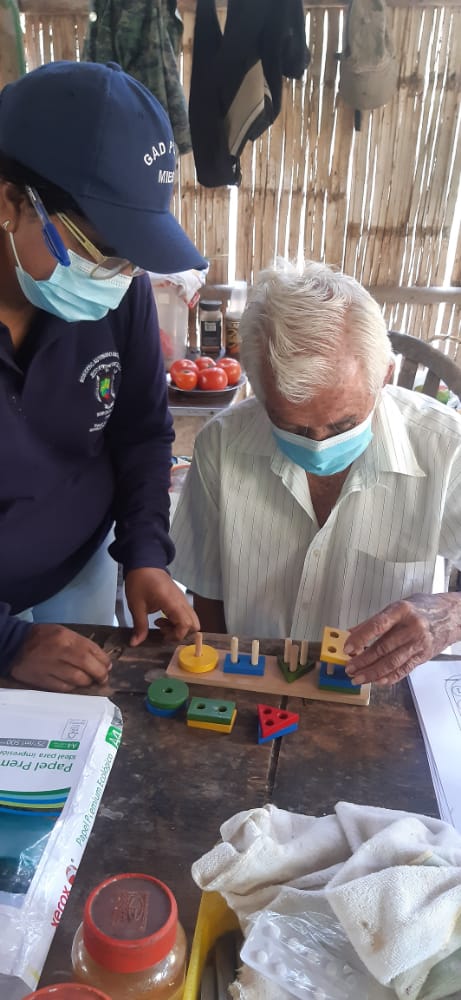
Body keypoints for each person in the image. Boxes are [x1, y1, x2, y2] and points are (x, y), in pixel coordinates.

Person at [0, 59, 205, 691]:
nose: (119, 277)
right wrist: (9, 642)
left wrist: (145, 551)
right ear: (9, 201)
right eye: (100, 249)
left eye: (134, 259)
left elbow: (141, 429)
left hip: (75, 571)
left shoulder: (116, 289)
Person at [170, 260, 461, 686]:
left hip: (381, 688)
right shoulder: (222, 444)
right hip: (256, 678)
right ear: (259, 392)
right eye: (292, 427)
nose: (320, 444)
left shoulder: (447, 448)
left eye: (344, 424)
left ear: (385, 376)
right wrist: (217, 683)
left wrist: (450, 615)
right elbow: (207, 591)